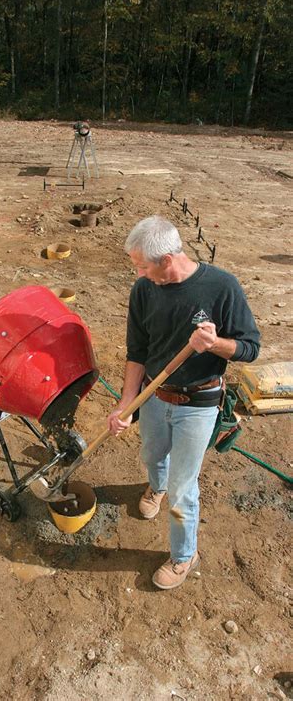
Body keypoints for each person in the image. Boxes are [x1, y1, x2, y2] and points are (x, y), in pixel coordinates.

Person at [107, 216, 260, 590]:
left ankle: (183, 556)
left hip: (199, 402)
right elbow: (137, 352)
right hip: (155, 396)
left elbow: (250, 348)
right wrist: (127, 404)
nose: (139, 273)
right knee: (152, 454)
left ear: (168, 260)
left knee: (183, 488)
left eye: (142, 265)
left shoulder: (222, 287)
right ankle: (154, 487)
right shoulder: (144, 290)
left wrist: (217, 345)